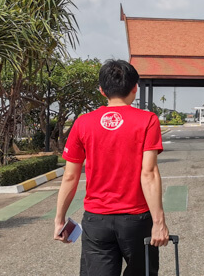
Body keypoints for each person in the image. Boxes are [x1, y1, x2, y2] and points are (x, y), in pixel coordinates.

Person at [54, 60, 170, 276]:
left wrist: (59, 219)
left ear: (101, 90)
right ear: (135, 88)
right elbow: (149, 173)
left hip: (96, 221)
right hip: (136, 220)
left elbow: (70, 177)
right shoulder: (148, 120)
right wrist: (158, 222)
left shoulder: (83, 123)